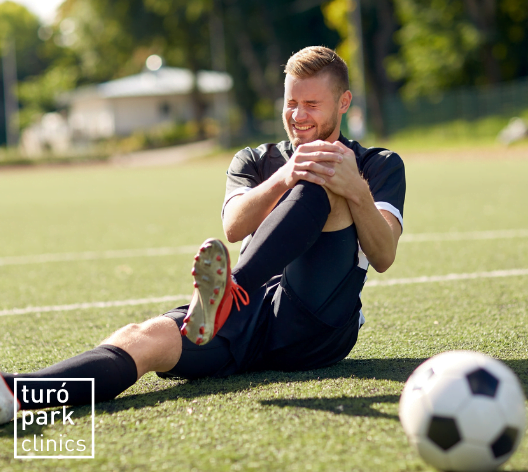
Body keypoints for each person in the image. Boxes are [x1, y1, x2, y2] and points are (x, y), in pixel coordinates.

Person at [0, 46, 405, 424]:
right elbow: (234, 226)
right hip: (248, 315)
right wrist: (284, 175)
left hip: (316, 324)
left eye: (311, 105)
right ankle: (13, 393)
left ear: (344, 102)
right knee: (143, 338)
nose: (298, 115)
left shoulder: (379, 164)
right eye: (291, 103)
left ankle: (230, 291)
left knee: (323, 175)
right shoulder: (254, 158)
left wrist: (355, 189)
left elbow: (384, 255)